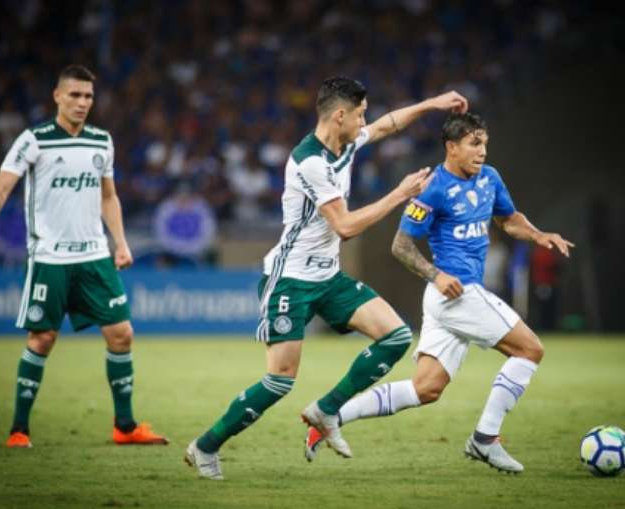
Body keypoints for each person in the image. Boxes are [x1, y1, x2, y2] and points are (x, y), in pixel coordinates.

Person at [184, 77, 468, 480]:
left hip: (327, 277)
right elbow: (347, 226)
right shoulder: (309, 162)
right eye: (360, 114)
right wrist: (399, 194)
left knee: (397, 336)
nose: (365, 120)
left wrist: (431, 104)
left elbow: (388, 125)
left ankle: (327, 408)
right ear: (340, 116)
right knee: (279, 382)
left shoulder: (345, 142)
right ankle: (205, 447)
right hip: (290, 281)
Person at [305, 112, 574, 473]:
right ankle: (484, 440)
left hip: (451, 299)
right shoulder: (434, 188)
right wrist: (436, 274)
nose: (482, 152)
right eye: (474, 144)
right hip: (456, 293)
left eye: (485, 144)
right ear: (452, 147)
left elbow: (508, 220)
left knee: (425, 389)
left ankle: (332, 417)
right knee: (530, 350)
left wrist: (538, 234)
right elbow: (400, 246)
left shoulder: (490, 178)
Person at [0, 65, 168, 448]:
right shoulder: (34, 140)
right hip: (49, 257)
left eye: (88, 96)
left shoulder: (101, 141)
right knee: (42, 339)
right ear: (57, 96)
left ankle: (124, 426)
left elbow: (108, 196)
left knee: (122, 334)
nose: (82, 103)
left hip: (94, 256)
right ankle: (19, 429)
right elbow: (1, 187)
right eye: (75, 95)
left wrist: (120, 242)